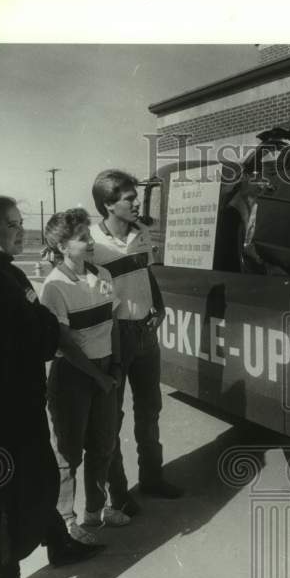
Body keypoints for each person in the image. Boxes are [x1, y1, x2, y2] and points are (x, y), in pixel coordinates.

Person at [0, 196, 104, 578]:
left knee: (44, 475)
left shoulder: (10, 273)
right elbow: (43, 335)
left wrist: (42, 330)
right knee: (12, 497)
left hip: (26, 398)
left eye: (21, 223)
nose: (21, 232)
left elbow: (44, 329)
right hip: (6, 405)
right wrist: (42, 331)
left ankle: (58, 543)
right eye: (11, 225)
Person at [90, 169, 181, 517]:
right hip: (114, 339)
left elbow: (146, 274)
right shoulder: (93, 243)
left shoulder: (141, 232)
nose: (136, 202)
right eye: (128, 198)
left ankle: (153, 479)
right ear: (108, 204)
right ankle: (119, 494)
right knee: (112, 418)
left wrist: (159, 305)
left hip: (146, 334)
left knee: (150, 411)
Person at [40, 208, 130, 541]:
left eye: (89, 236)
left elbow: (114, 325)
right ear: (63, 246)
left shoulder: (104, 275)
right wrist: (100, 377)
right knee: (68, 453)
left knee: (103, 444)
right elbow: (67, 346)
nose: (90, 242)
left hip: (106, 370)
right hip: (74, 376)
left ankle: (95, 512)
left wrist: (117, 366)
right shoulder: (54, 286)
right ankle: (66, 522)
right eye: (82, 238)